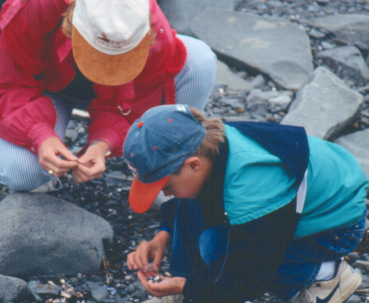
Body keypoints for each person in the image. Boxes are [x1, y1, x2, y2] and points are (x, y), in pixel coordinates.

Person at [124, 104, 368, 303]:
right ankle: (186, 286)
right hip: (307, 199)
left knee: (216, 246)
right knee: (194, 205)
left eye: (165, 187)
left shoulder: (255, 183)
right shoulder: (209, 145)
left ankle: (325, 277)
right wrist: (164, 234)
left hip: (339, 224)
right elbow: (188, 203)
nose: (166, 195)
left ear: (193, 165)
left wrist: (189, 287)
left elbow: (250, 276)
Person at [0, 0, 216, 192]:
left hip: (118, 94)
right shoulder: (38, 0)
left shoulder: (148, 20)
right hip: (44, 89)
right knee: (22, 173)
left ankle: (161, 168)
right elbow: (6, 82)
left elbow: (137, 96)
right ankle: (46, 173)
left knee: (199, 58)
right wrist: (40, 135)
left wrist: (102, 144)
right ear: (72, 27)